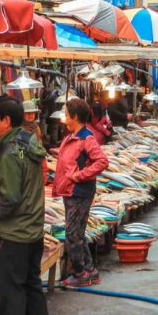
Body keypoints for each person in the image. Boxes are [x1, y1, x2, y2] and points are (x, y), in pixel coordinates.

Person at [0, 95, 50, 315]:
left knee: (11, 294)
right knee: (32, 288)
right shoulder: (28, 143)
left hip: (12, 235)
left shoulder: (10, 154)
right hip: (32, 232)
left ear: (6, 121)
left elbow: (9, 198)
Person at [53, 99, 109, 287]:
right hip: (70, 191)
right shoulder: (71, 136)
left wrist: (79, 176)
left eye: (66, 113)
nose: (64, 116)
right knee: (78, 232)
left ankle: (79, 273)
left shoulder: (87, 138)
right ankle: (89, 270)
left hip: (79, 191)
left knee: (72, 234)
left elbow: (101, 161)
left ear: (74, 117)